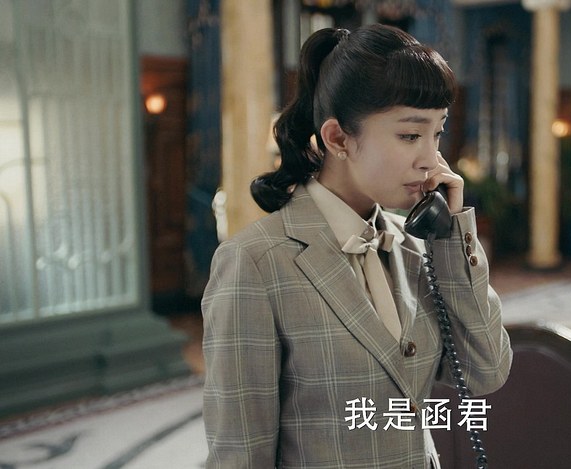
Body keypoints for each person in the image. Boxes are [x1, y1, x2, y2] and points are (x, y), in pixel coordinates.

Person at [201, 24, 511, 468]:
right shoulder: (256, 262)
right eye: (410, 135)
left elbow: (486, 371)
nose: (431, 160)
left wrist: (449, 238)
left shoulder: (416, 248)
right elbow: (240, 455)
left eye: (437, 134)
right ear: (339, 139)